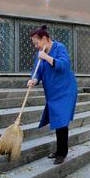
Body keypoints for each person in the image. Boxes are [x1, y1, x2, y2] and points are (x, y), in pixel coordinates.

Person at [27, 25, 78, 165]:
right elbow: (37, 71)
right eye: (34, 44)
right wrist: (34, 80)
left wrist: (47, 57)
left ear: (44, 39)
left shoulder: (59, 48)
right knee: (57, 119)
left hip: (66, 90)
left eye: (36, 43)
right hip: (53, 92)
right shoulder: (40, 54)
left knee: (61, 120)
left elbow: (64, 65)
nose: (36, 46)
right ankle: (59, 150)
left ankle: (62, 152)